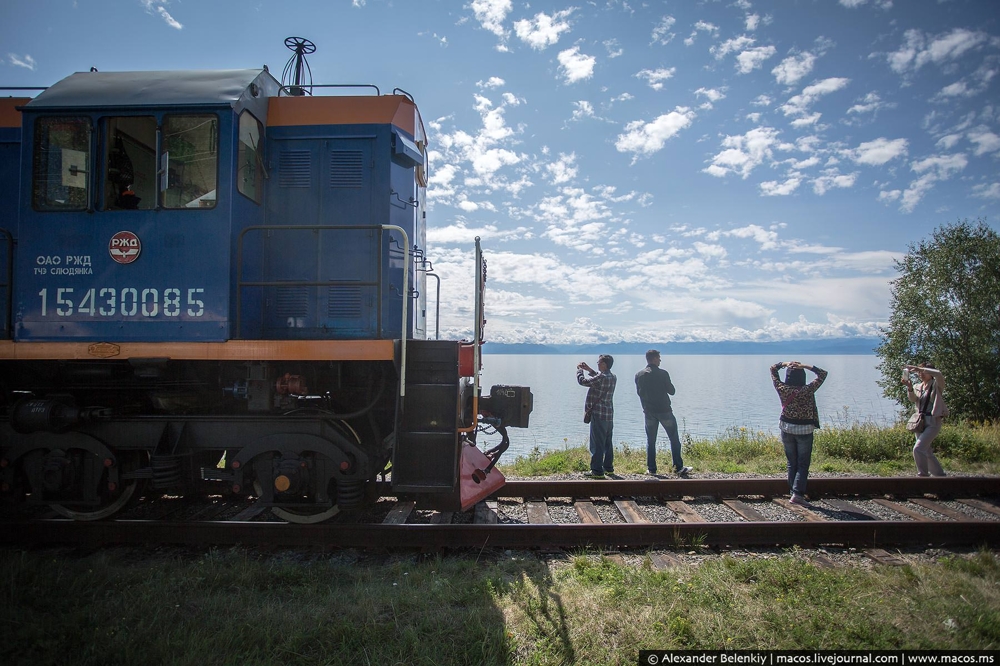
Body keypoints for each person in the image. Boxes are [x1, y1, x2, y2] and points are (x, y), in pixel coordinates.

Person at [770, 360, 827, 505]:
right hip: (804, 430)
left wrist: (784, 363)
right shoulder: (808, 389)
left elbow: (773, 370)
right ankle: (797, 494)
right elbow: (822, 374)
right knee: (803, 464)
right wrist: (805, 366)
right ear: (803, 377)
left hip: (786, 428)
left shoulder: (782, 388)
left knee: (792, 462)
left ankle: (792, 492)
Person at [635, 349, 692, 477]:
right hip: (664, 410)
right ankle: (678, 466)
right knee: (674, 439)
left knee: (651, 440)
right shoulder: (663, 374)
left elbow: (640, 393)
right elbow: (671, 391)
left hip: (649, 412)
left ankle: (651, 468)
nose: (660, 360)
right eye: (659, 358)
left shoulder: (639, 375)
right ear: (654, 359)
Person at [902, 363, 948, 477]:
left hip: (933, 421)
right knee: (926, 451)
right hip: (920, 421)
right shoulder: (918, 386)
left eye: (923, 372)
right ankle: (939, 475)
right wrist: (909, 387)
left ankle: (922, 475)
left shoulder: (937, 385)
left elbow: (938, 374)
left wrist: (920, 368)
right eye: (918, 372)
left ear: (930, 373)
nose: (920, 374)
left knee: (918, 449)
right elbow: (913, 399)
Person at [577, 354, 617, 478]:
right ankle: (608, 468)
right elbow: (599, 378)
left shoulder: (601, 377)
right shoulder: (612, 376)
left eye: (599, 362)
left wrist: (580, 371)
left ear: (604, 364)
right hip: (608, 414)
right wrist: (590, 370)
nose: (597, 363)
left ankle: (596, 471)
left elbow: (583, 382)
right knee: (607, 443)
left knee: (597, 443)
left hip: (598, 414)